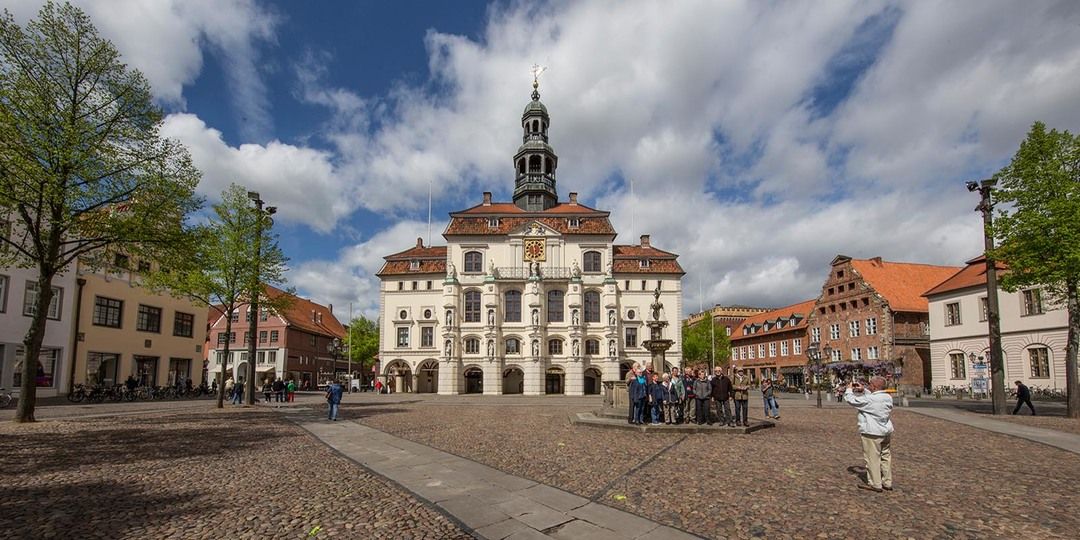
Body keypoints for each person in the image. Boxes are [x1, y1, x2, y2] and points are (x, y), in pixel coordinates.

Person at [844, 377, 894, 492]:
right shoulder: (887, 398)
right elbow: (872, 397)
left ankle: (875, 484)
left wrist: (849, 389)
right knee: (885, 457)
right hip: (885, 431)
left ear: (875, 387)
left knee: (872, 458)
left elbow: (852, 400)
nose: (868, 386)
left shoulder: (871, 400)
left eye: (870, 384)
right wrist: (864, 390)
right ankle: (887, 482)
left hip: (872, 432)